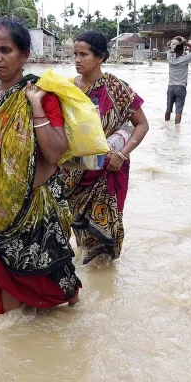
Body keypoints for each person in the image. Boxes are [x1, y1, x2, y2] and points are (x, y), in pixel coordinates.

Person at [0, 17, 81, 314]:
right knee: (8, 312)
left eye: (5, 50)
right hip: (0, 217)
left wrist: (34, 106)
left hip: (40, 213)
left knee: (62, 297)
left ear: (24, 55)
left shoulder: (41, 95)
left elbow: (56, 152)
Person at [64, 31, 149, 264]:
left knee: (104, 235)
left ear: (100, 57)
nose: (77, 59)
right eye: (75, 54)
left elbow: (142, 125)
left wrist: (122, 154)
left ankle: (105, 279)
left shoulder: (118, 89)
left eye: (83, 54)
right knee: (80, 234)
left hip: (109, 169)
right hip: (74, 174)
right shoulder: (67, 89)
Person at [165, 36, 191, 125]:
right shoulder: (185, 59)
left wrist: (172, 44)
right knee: (179, 111)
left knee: (168, 109)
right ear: (182, 50)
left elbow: (169, 49)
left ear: (175, 50)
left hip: (171, 87)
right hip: (181, 88)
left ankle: (166, 126)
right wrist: (186, 43)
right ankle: (176, 131)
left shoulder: (170, 58)